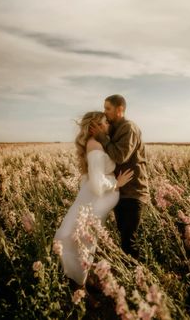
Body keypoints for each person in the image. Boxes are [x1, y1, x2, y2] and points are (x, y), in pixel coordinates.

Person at [54, 111, 133, 286]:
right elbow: (97, 183)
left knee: (85, 237)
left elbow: (90, 177)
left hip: (96, 200)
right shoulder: (95, 146)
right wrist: (116, 183)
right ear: (94, 127)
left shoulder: (97, 144)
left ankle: (80, 278)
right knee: (84, 239)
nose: (109, 124)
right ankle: (79, 283)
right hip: (96, 200)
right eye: (105, 122)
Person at [90, 95, 150, 259]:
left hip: (133, 191)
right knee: (125, 237)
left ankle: (140, 278)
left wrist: (102, 138)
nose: (105, 111)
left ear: (120, 110)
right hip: (120, 190)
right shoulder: (113, 128)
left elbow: (120, 156)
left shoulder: (128, 128)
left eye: (108, 108)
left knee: (130, 241)